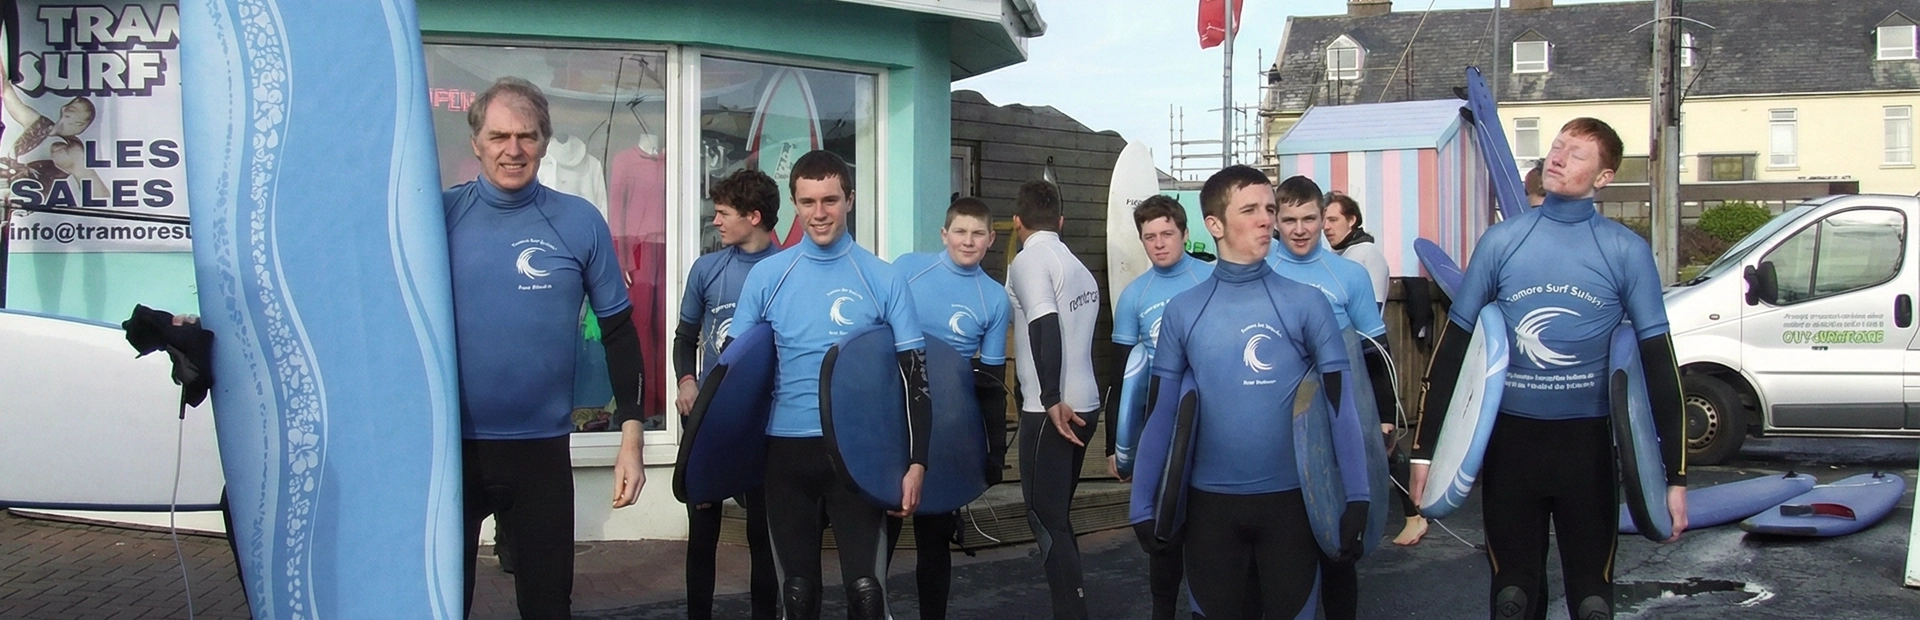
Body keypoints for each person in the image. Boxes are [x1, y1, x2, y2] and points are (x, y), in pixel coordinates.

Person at [1409, 118, 1689, 620]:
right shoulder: (1501, 241)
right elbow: (1454, 349)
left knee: (1592, 599)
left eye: (1577, 154)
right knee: (1512, 595)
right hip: (1511, 445)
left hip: (1588, 448)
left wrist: (1675, 478)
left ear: (1603, 177)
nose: (1558, 157)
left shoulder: (1626, 251)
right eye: (1557, 146)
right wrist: (1425, 454)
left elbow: (1658, 364)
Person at [444, 77, 646, 620]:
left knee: (549, 604)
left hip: (541, 452)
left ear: (545, 140)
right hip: (450, 451)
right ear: (476, 142)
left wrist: (631, 437)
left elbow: (620, 333)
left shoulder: (578, 220)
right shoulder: (437, 218)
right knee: (439, 605)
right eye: (499, 136)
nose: (514, 150)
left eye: (527, 136)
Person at [1151, 165, 1371, 619]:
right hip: (1209, 510)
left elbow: (1339, 404)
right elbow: (1162, 414)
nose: (1266, 219)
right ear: (1214, 224)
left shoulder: (1306, 302)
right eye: (1250, 209)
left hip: (1291, 505)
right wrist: (1144, 507)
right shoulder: (1183, 311)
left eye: (1270, 208)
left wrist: (1358, 497)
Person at [729, 150, 930, 620]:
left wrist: (917, 461)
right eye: (808, 202)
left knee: (866, 592)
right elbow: (736, 378)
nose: (819, 214)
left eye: (830, 200)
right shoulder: (768, 277)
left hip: (859, 453)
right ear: (796, 204)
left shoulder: (882, 277)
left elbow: (916, 377)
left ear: (850, 199)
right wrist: (725, 458)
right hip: (785, 455)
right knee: (797, 595)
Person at [1265, 177, 1394, 620]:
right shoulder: (1262, 270)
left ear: (1324, 217)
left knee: (1339, 549)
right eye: (1289, 220)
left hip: (1335, 425)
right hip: (1274, 427)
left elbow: (1376, 353)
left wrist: (1386, 419)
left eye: (1309, 218)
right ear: (1276, 222)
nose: (1300, 229)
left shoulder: (1349, 275)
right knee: (1282, 554)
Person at [889, 197, 1012, 620]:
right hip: (896, 419)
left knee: (934, 537)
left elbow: (990, 385)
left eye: (978, 233)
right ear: (944, 234)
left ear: (992, 239)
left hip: (946, 430)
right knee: (881, 531)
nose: (968, 241)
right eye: (960, 231)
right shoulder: (908, 268)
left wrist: (994, 452)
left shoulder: (994, 299)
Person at [672, 168, 782, 620]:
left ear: (753, 216)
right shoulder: (707, 268)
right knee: (703, 535)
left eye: (722, 213)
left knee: (762, 535)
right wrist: (686, 381)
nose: (715, 221)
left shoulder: (789, 269)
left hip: (765, 422)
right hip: (710, 418)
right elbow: (685, 338)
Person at [1107, 194, 1211, 620]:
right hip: (1162, 421)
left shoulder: (1213, 278)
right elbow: (1123, 374)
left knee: (1210, 531)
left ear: (1186, 235)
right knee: (1163, 528)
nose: (1159, 243)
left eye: (1167, 233)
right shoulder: (1135, 295)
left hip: (1216, 418)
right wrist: (1118, 445)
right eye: (1150, 237)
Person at [1005, 179, 1103, 619]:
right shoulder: (1076, 264)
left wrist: (1048, 398)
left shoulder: (1029, 260)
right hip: (1086, 403)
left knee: (1045, 518)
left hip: (1050, 410)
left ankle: (1071, 612)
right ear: (1060, 221)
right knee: (1057, 516)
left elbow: (1043, 324)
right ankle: (1073, 606)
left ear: (1017, 222)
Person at [1322, 191, 1422, 547]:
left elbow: (1365, 318)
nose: (1326, 226)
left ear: (1352, 220)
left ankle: (1413, 514)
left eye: (1332, 219)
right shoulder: (1347, 255)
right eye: (1325, 220)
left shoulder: (1363, 255)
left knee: (1380, 441)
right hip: (1356, 357)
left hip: (1365, 357)